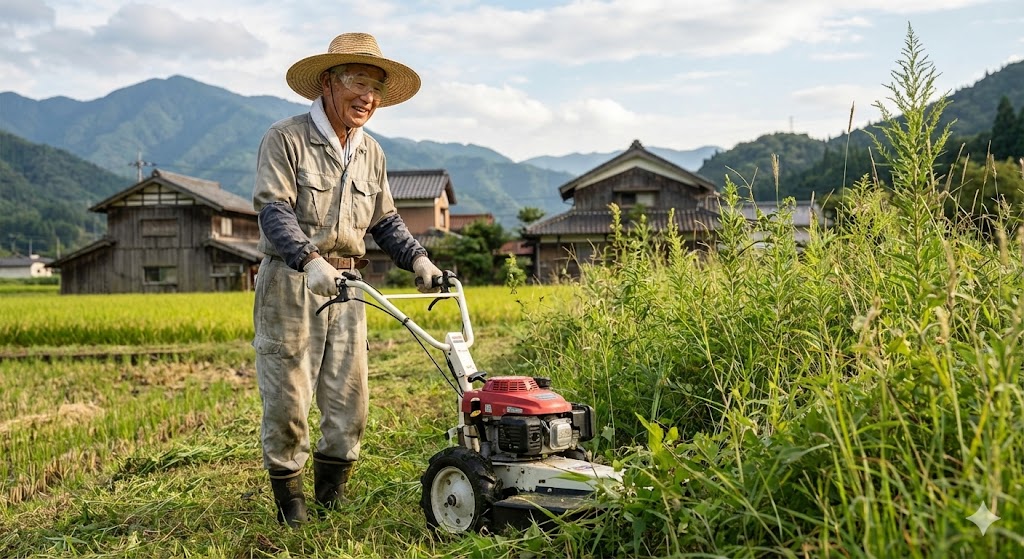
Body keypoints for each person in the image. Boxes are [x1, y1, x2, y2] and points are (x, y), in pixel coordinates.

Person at [251, 32, 443, 527]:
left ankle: (332, 499)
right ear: (328, 83)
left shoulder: (371, 152)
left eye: (376, 88)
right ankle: (290, 506)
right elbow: (273, 209)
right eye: (358, 81)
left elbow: (385, 221)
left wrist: (420, 261)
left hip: (349, 287)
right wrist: (309, 259)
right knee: (289, 398)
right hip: (292, 282)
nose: (368, 97)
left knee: (348, 401)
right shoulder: (286, 138)